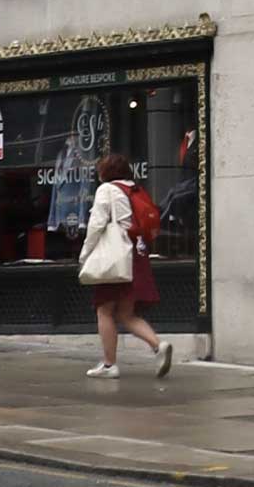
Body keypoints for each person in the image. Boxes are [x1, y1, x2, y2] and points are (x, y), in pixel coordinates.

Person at [81, 152, 174, 380]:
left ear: (105, 172)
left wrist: (85, 254)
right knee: (126, 314)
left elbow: (96, 224)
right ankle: (158, 345)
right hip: (136, 255)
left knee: (104, 310)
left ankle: (109, 365)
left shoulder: (107, 190)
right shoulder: (135, 189)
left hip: (114, 258)